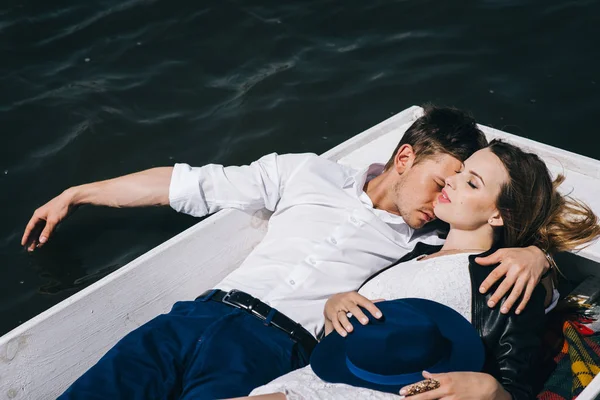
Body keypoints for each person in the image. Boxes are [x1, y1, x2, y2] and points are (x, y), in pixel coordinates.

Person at [22, 107, 553, 399]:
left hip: (273, 352)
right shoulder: (305, 172)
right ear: (404, 157)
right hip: (194, 316)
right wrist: (79, 193)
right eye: (441, 183)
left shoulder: (428, 247)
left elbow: (485, 249)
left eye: (457, 188)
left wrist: (537, 256)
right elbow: (187, 185)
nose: (444, 200)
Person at [244, 140, 600, 400]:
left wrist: (493, 392)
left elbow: (515, 384)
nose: (452, 181)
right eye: (459, 172)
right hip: (312, 377)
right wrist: (334, 306)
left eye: (471, 183)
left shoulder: (506, 272)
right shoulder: (416, 248)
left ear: (498, 214)